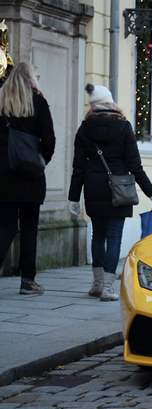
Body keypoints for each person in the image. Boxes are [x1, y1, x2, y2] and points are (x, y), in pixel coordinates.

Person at [68, 84, 152, 301]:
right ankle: (109, 288)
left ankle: (97, 284)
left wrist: (73, 197)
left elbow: (78, 168)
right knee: (114, 236)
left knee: (98, 235)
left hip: (93, 187)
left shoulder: (84, 129)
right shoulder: (124, 127)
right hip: (119, 189)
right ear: (110, 102)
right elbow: (135, 166)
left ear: (93, 106)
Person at [0, 63, 55, 295]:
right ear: (31, 79)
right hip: (31, 178)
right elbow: (49, 140)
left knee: (5, 227)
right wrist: (40, 161)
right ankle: (28, 281)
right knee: (30, 228)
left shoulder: (1, 104)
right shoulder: (38, 102)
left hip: (3, 177)